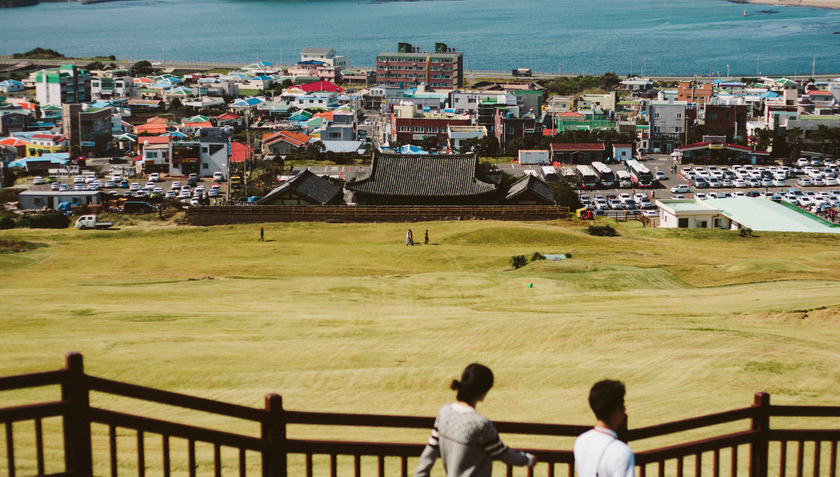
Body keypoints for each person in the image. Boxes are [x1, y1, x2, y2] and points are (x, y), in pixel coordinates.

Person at [415, 364, 536, 477]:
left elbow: (430, 451)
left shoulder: (444, 412)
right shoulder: (481, 424)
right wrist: (528, 460)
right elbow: (502, 454)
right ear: (484, 391)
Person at [574, 380, 634, 477]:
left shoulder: (581, 441)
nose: (625, 409)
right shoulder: (622, 453)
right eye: (622, 405)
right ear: (616, 413)